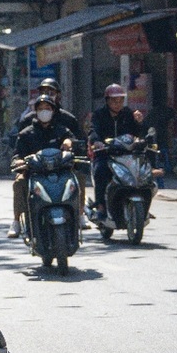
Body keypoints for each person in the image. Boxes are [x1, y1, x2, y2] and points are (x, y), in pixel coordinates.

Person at [11, 92, 82, 237]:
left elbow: (75, 143)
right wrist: (19, 162)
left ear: (53, 111)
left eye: (48, 108)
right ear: (36, 111)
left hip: (60, 173)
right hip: (34, 173)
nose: (44, 111)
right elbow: (17, 155)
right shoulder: (26, 133)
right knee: (19, 183)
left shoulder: (62, 130)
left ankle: (79, 215)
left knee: (78, 178)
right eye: (41, 108)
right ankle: (17, 221)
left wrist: (69, 142)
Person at [88, 83, 146, 224]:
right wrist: (96, 141)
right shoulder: (99, 114)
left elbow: (136, 133)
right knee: (100, 171)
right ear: (107, 100)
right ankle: (101, 206)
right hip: (105, 154)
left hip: (125, 154)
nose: (117, 104)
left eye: (120, 100)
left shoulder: (128, 114)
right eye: (114, 101)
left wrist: (139, 123)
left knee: (142, 171)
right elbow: (93, 131)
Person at [13, 77, 81, 139]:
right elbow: (19, 146)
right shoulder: (28, 120)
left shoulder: (68, 120)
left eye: (51, 93)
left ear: (58, 95)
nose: (47, 95)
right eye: (43, 93)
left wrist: (69, 142)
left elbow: (78, 142)